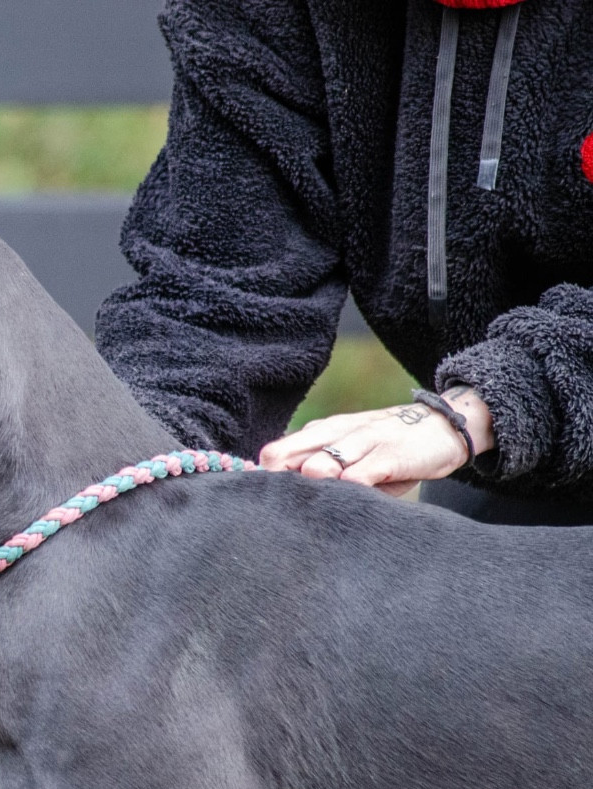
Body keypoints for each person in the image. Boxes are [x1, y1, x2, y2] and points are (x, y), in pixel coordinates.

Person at [95, 0, 593, 526]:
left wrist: (487, 407)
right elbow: (218, 293)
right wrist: (127, 476)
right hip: (505, 465)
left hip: (495, 424)